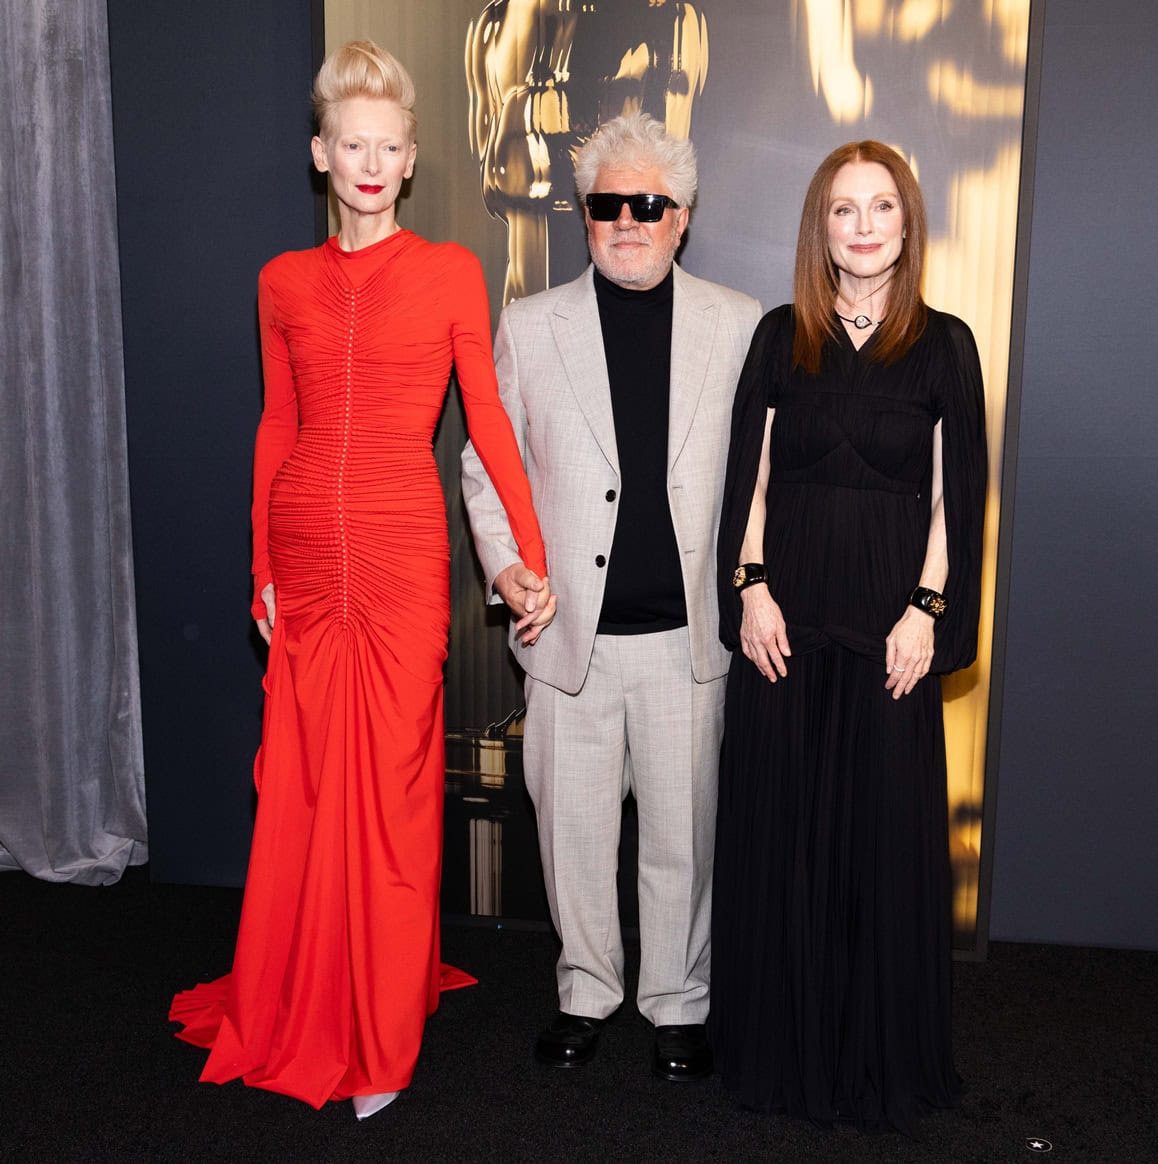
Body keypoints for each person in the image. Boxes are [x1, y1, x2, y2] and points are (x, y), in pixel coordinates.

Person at [169, 41, 552, 1119]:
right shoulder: (280, 283)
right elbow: (276, 426)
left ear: (412, 157)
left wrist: (524, 554)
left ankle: (381, 1039)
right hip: (303, 551)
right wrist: (260, 564)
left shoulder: (449, 273)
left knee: (390, 796)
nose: (371, 161)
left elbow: (487, 423)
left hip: (398, 554)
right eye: (353, 143)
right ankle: (303, 992)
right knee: (300, 788)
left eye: (390, 145)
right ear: (321, 153)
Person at [461, 113, 760, 1080]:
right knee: (575, 840)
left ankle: (678, 1000)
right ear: (585, 215)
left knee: (682, 839)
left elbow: (764, 481)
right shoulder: (529, 325)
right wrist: (504, 569)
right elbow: (484, 466)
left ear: (682, 216)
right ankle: (585, 989)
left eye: (649, 205)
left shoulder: (739, 323)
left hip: (687, 643)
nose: (627, 221)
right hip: (568, 645)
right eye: (607, 205)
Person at [710, 140, 986, 1133]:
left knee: (879, 854)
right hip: (787, 634)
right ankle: (780, 1056)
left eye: (881, 208)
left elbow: (959, 502)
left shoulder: (947, 346)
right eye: (843, 209)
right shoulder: (782, 337)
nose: (863, 226)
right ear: (818, 228)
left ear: (908, 224)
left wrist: (928, 611)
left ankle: (877, 1064)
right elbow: (750, 481)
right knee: (784, 850)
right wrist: (749, 591)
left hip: (890, 647)